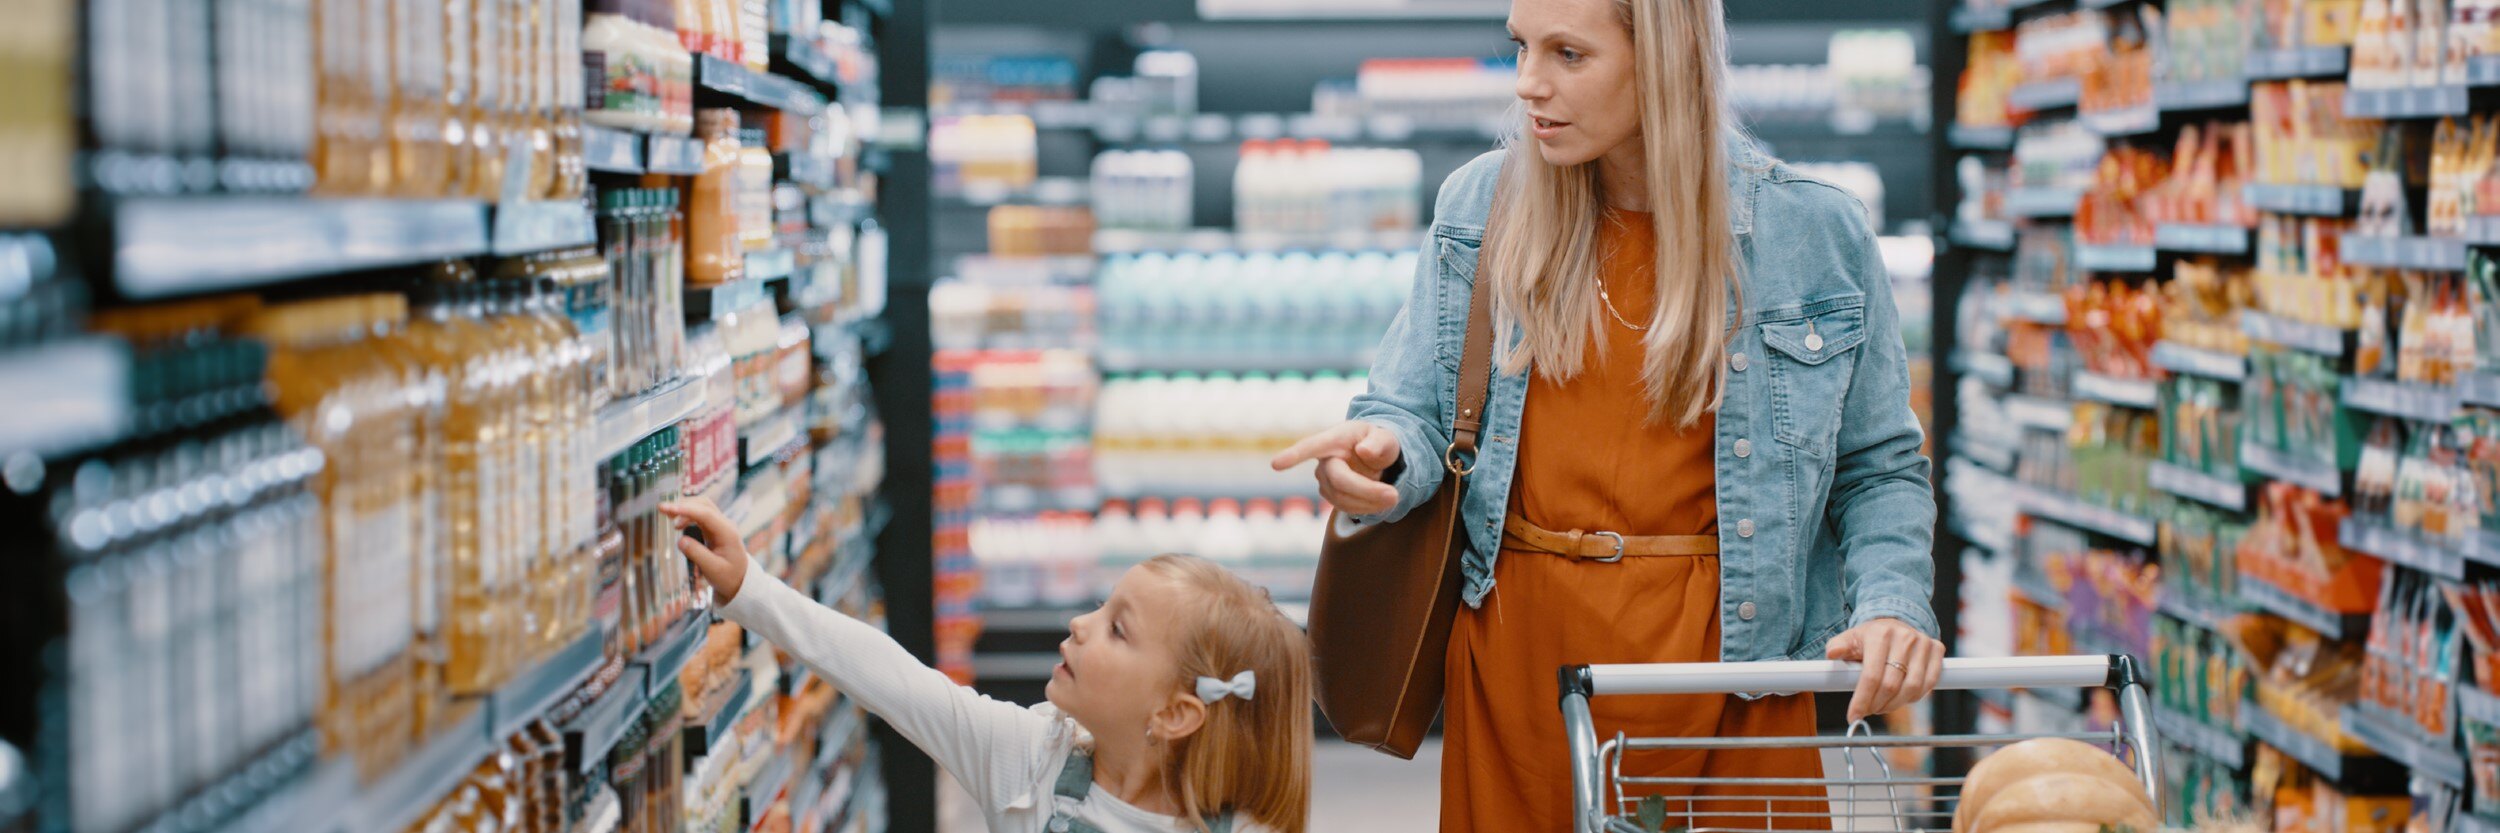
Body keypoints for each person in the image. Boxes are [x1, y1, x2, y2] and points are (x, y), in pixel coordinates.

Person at [1268, 0, 1942, 829]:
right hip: (1523, 670)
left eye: (1568, 55)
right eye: (1521, 47)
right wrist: (1379, 457)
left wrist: (1893, 604)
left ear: (1662, 57)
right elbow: (1409, 410)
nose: (1528, 84)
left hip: (1739, 675)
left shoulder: (1812, 229)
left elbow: (1879, 467)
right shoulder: (1483, 205)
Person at [660, 497, 1313, 833]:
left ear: (1174, 713)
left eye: (1116, 628)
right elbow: (891, 678)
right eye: (1098, 605)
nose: (1079, 624)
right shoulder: (1032, 758)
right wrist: (751, 588)